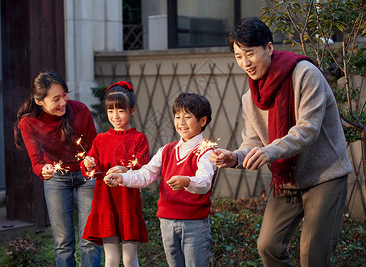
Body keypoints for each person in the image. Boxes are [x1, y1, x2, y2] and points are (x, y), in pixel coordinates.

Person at [210, 17, 353, 267]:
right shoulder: (250, 97)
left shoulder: (305, 74)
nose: (245, 63)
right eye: (238, 56)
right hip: (287, 179)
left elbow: (307, 130)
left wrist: (268, 152)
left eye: (250, 54)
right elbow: (252, 142)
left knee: (313, 256)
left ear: (269, 48)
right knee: (268, 246)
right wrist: (236, 157)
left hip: (325, 175)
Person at [104, 92, 217, 267]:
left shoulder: (206, 151)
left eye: (187, 117)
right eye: (177, 116)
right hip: (167, 221)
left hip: (194, 224)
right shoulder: (167, 150)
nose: (181, 122)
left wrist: (186, 181)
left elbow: (204, 182)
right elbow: (146, 174)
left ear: (202, 121)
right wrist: (122, 177)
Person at [14, 71, 102, 267]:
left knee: (90, 239)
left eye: (65, 95)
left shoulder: (80, 111)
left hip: (86, 177)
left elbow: (94, 148)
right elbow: (36, 162)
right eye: (56, 99)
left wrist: (91, 160)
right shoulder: (29, 123)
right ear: (40, 101)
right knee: (63, 243)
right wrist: (43, 170)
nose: (63, 102)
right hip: (57, 180)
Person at [81, 81, 150, 267]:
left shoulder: (139, 139)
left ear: (132, 110)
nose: (115, 116)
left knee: (129, 258)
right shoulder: (100, 139)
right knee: (110, 259)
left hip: (128, 202)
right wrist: (88, 163)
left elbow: (143, 169)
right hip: (105, 203)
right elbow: (90, 170)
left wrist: (125, 170)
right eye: (110, 111)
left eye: (120, 110)